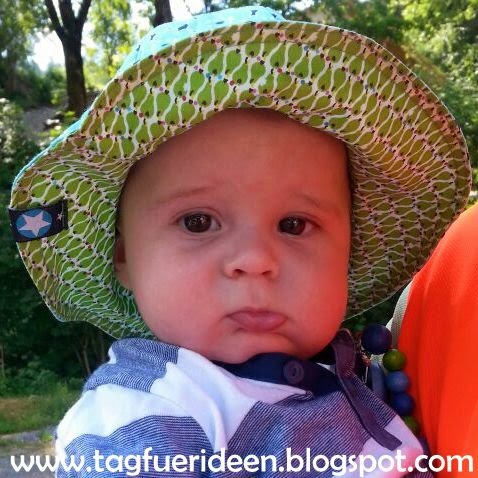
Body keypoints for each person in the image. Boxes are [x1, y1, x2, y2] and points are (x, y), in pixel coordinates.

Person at [8, 5, 471, 477]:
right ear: (123, 254)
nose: (254, 259)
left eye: (294, 224)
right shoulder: (148, 409)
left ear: (347, 249)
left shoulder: (359, 375)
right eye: (198, 222)